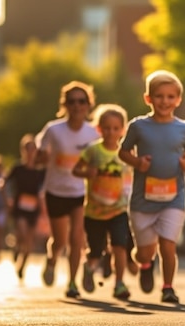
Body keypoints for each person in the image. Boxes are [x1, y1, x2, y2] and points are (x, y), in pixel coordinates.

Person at [119, 70, 185, 304]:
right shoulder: (138, 126)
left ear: (178, 100)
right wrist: (137, 162)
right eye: (159, 96)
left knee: (168, 244)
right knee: (145, 250)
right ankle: (144, 263)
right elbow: (123, 152)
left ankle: (168, 287)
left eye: (171, 96)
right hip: (143, 199)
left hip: (174, 197)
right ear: (148, 98)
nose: (165, 101)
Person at [36, 81, 100, 298]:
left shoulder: (92, 134)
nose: (77, 106)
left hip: (80, 193)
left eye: (81, 101)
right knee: (60, 241)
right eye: (72, 101)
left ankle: (72, 282)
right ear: (65, 104)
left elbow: (99, 161)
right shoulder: (53, 130)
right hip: (55, 191)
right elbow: (38, 158)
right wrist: (42, 157)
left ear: (88, 105)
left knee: (77, 238)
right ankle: (52, 259)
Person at [73, 104, 135, 300]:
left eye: (116, 128)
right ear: (99, 129)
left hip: (119, 209)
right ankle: (89, 267)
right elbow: (76, 170)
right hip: (94, 211)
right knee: (96, 252)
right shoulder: (93, 151)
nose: (111, 132)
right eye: (106, 128)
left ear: (123, 130)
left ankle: (119, 283)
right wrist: (86, 172)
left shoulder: (126, 153)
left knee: (120, 245)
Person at [1, 134, 46, 279]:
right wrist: (7, 199)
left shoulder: (41, 171)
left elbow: (44, 189)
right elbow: (3, 183)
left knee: (29, 241)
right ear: (23, 150)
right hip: (20, 207)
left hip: (34, 208)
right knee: (22, 232)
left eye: (33, 148)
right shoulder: (18, 168)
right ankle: (16, 247)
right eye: (27, 148)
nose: (30, 151)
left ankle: (22, 265)